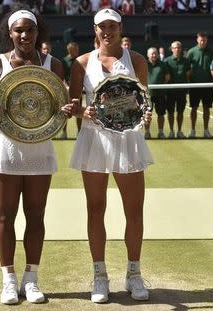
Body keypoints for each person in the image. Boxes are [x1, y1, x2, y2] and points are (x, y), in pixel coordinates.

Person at [0, 9, 70, 305]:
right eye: (19, 31)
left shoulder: (54, 65)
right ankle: (8, 280)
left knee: (36, 215)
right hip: (6, 148)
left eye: (30, 30)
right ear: (10, 32)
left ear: (38, 31)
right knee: (5, 215)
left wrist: (66, 109)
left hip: (40, 147)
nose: (25, 35)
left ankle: (31, 279)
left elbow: (60, 102)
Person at [67, 8, 153, 303]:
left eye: (112, 26)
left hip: (129, 141)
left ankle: (134, 273)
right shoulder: (80, 63)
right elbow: (72, 105)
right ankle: (99, 276)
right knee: (95, 209)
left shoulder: (137, 61)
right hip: (94, 141)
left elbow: (143, 100)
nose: (107, 31)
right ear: (95, 30)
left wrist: (147, 114)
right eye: (102, 26)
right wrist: (82, 111)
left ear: (120, 28)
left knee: (134, 211)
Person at [186, 31, 213, 139]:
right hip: (194, 86)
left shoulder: (212, 52)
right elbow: (187, 68)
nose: (202, 41)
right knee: (193, 108)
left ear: (207, 40)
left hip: (207, 86)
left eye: (204, 40)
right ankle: (192, 131)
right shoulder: (191, 52)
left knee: (206, 109)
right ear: (197, 40)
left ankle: (206, 131)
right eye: (200, 39)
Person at [164, 41, 190, 138]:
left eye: (178, 47)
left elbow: (187, 75)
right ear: (171, 49)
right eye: (175, 48)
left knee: (180, 112)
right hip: (170, 91)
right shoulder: (166, 61)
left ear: (181, 48)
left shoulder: (186, 61)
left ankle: (179, 131)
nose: (177, 49)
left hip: (182, 91)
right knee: (170, 112)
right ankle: (171, 131)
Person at [146, 46, 170, 139]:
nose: (153, 55)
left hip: (160, 94)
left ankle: (160, 132)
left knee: (161, 114)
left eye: (155, 53)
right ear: (148, 55)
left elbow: (167, 77)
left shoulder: (163, 64)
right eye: (151, 53)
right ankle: (147, 132)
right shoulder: (144, 64)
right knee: (147, 114)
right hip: (147, 95)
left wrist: (160, 86)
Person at [60, 41, 81, 139]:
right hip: (66, 90)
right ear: (69, 50)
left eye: (77, 50)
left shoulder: (80, 60)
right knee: (66, 111)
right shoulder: (64, 61)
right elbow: (62, 76)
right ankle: (64, 133)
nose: (76, 52)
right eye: (74, 50)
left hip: (78, 90)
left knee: (79, 111)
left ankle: (79, 132)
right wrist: (65, 86)